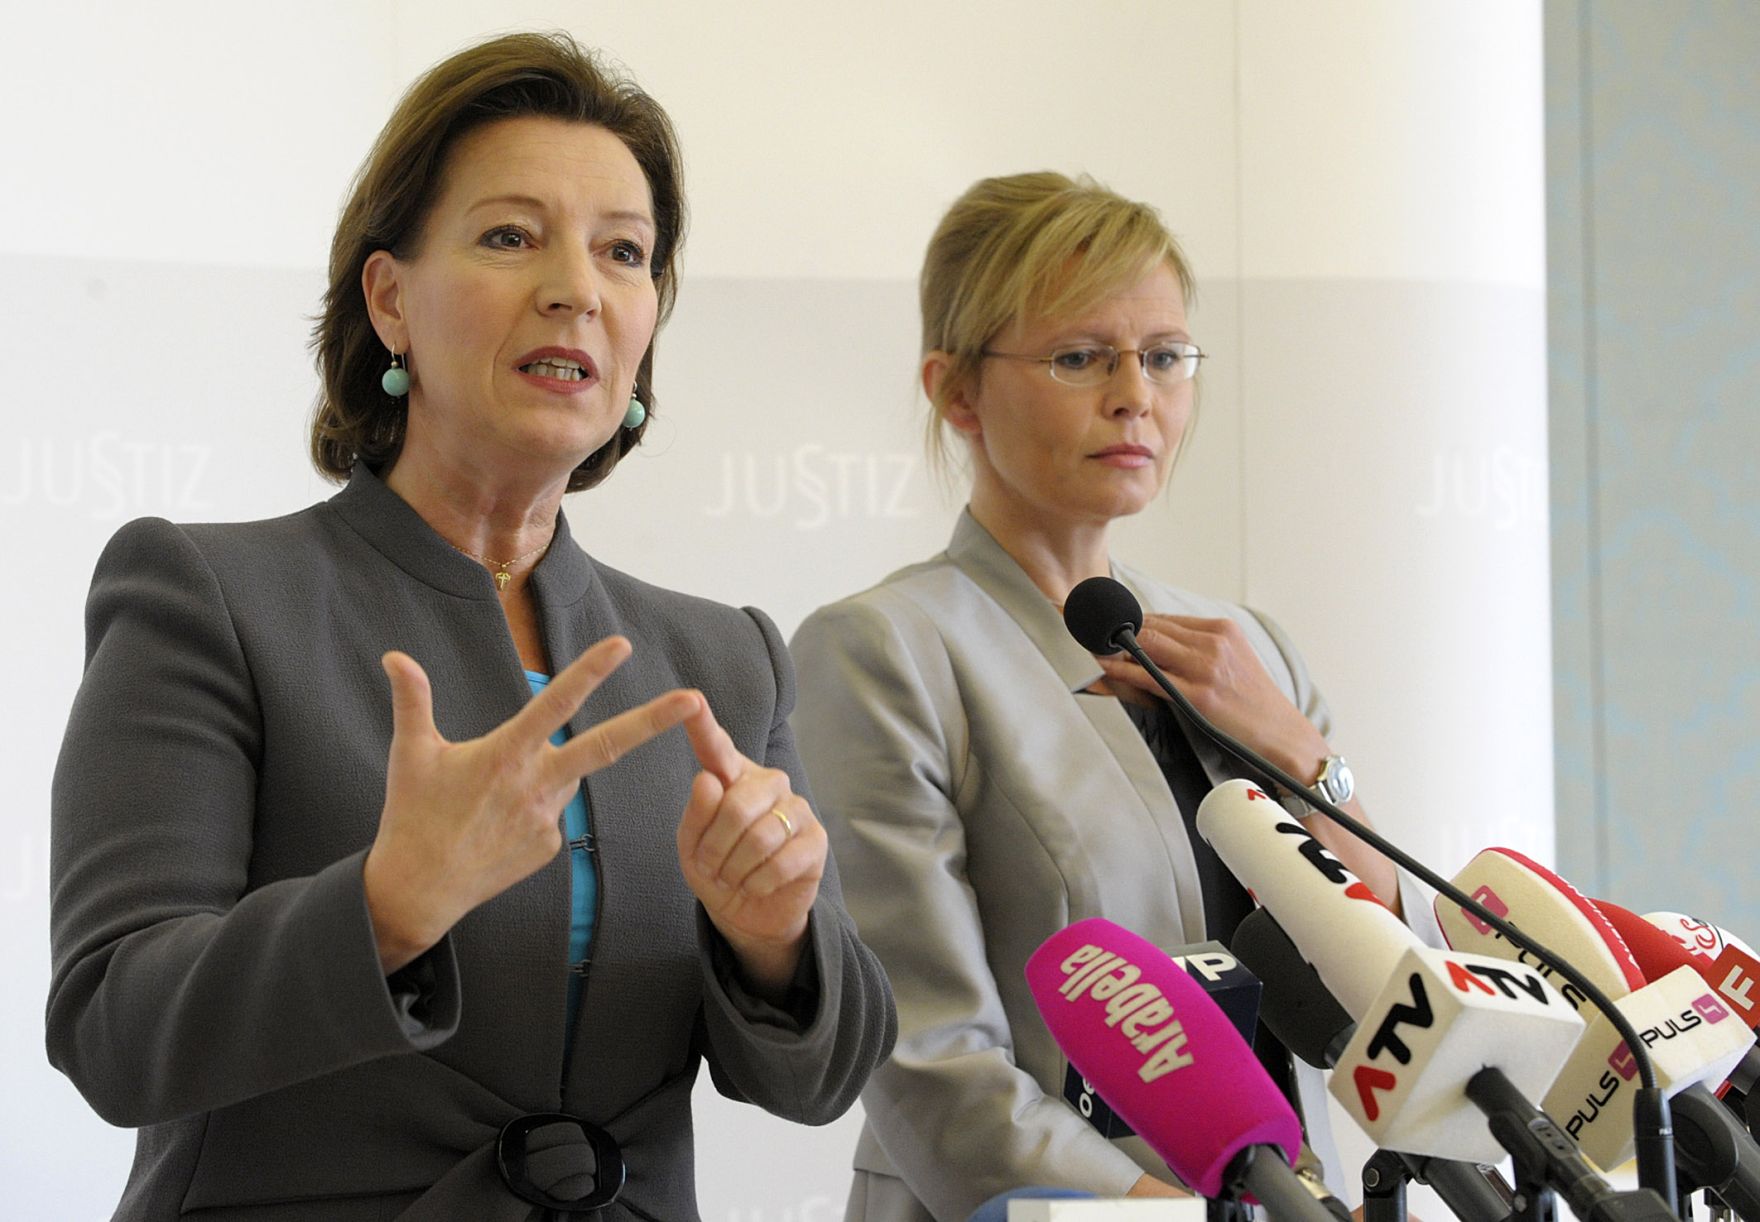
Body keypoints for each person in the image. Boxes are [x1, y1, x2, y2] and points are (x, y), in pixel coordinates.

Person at [47, 32, 893, 1222]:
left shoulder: (723, 661)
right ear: (390, 299)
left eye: (624, 252)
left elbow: (820, 1082)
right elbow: (112, 1028)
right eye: (510, 236)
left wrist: (774, 940)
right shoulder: (207, 596)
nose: (575, 287)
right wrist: (386, 903)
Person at [789, 172, 1434, 1221]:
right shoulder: (881, 649)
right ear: (955, 391)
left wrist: (1297, 754)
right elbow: (929, 1060)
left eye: (1164, 356)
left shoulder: (1246, 646)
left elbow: (1407, 989)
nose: (1135, 392)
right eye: (1079, 357)